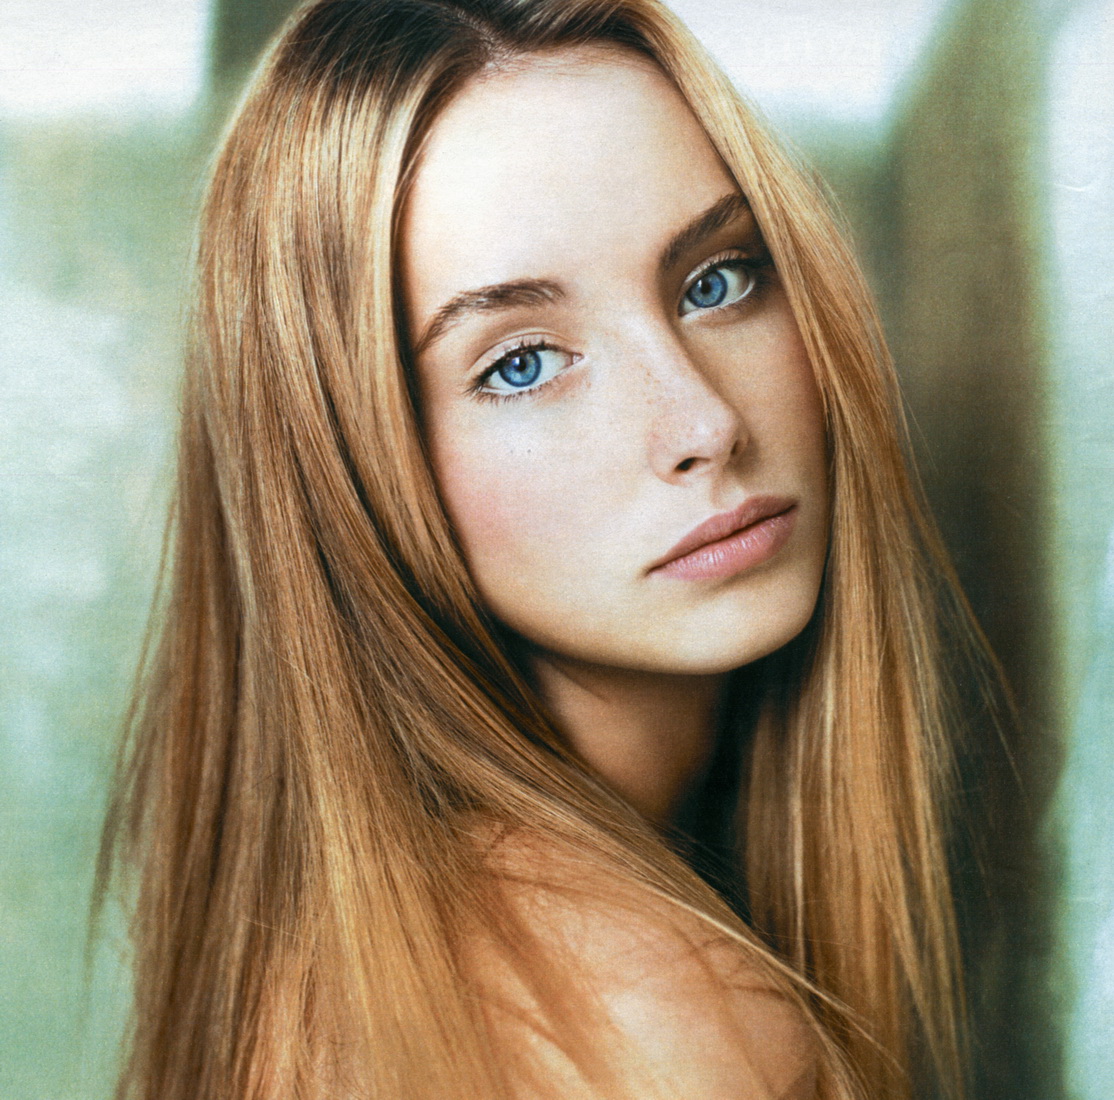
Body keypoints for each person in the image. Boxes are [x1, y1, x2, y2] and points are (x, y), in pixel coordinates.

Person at [98, 1, 998, 1096]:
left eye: (715, 281)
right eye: (520, 364)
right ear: (348, 472)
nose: (704, 422)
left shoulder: (386, 958)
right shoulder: (626, 1011)